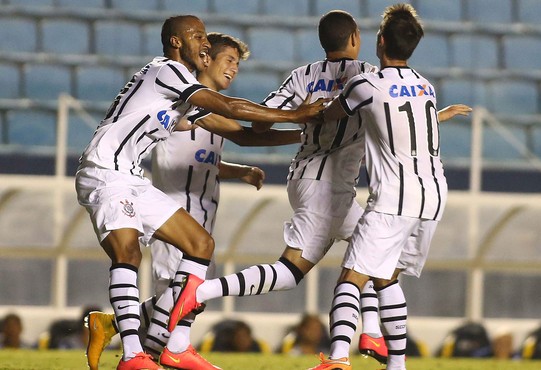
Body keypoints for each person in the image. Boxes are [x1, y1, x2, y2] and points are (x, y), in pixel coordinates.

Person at [167, 9, 470, 365]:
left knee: (358, 260)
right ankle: (351, 344)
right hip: (331, 187)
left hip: (309, 178)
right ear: (356, 39)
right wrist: (437, 115)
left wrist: (300, 122)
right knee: (335, 265)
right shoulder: (369, 76)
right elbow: (398, 118)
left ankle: (371, 335)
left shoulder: (303, 76)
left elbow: (262, 122)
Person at [74, 14, 325, 370]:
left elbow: (242, 134)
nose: (204, 42)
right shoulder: (166, 70)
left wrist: (310, 135)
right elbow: (228, 106)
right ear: (176, 42)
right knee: (128, 254)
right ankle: (133, 355)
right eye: (198, 36)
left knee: (201, 245)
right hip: (104, 171)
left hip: (131, 179)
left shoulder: (183, 96)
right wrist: (297, 115)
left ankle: (173, 345)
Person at [301, 4, 470, 370]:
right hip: (434, 195)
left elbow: (330, 114)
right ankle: (397, 365)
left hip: (395, 196)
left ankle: (338, 358)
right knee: (386, 276)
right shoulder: (426, 86)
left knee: (352, 277)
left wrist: (308, 110)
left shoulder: (365, 83)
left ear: (379, 41)